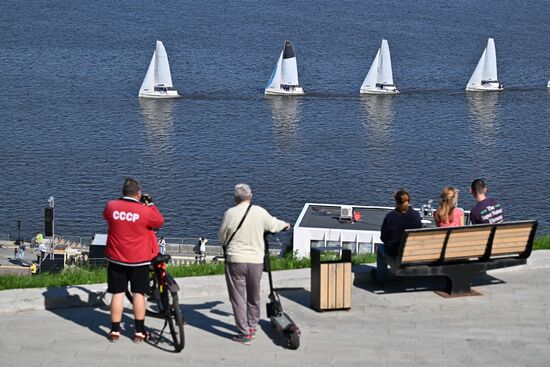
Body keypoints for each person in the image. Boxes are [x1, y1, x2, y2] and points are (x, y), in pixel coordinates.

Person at [219, 183, 290, 345]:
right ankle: (252, 326)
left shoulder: (229, 213)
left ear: (235, 198)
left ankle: (244, 332)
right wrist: (285, 225)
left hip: (235, 260)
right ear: (250, 196)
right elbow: (274, 224)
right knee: (254, 295)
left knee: (238, 297)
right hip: (256, 261)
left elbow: (222, 237)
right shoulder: (260, 212)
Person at [103, 177, 164, 343]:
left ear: (123, 192)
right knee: (139, 294)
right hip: (139, 260)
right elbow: (159, 221)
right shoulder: (144, 211)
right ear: (139, 194)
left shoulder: (111, 206)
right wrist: (150, 204)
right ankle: (139, 332)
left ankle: (115, 331)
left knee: (117, 294)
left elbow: (107, 217)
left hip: (116, 259)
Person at [374, 189, 422, 284]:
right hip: (411, 253)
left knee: (380, 249)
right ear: (409, 201)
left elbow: (383, 238)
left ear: (396, 202)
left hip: (395, 253)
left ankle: (381, 279)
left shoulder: (390, 216)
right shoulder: (416, 215)